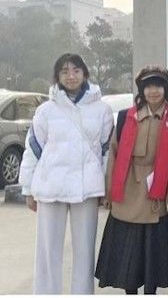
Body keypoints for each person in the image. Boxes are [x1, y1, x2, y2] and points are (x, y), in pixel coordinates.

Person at [18, 53, 114, 294]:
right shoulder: (46, 110)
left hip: (87, 188)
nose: (71, 76)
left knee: (85, 251)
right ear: (57, 76)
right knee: (47, 251)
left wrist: (106, 187)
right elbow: (33, 149)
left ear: (85, 74)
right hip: (51, 186)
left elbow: (107, 151)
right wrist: (28, 188)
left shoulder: (102, 110)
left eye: (76, 70)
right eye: (65, 71)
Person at [95, 66, 168, 295]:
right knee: (128, 256)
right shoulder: (126, 117)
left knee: (152, 257)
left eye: (158, 86)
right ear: (141, 90)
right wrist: (109, 192)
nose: (153, 91)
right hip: (127, 191)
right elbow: (114, 156)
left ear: (166, 89)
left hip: (157, 192)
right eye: (148, 86)